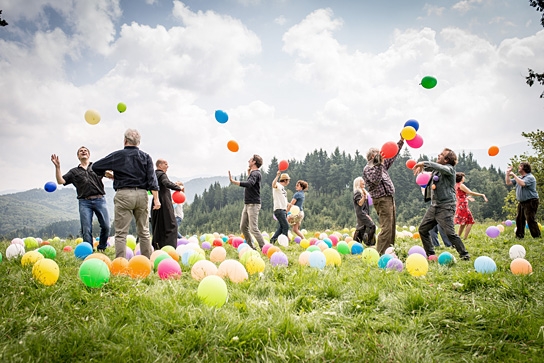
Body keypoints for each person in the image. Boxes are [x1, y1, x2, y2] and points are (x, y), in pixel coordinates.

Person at [92, 129, 160, 259]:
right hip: (142, 194)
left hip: (123, 194)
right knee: (144, 232)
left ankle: (120, 264)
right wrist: (156, 200)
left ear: (125, 140)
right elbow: (152, 180)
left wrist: (108, 174)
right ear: (138, 142)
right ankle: (147, 263)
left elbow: (95, 167)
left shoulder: (117, 155)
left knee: (121, 234)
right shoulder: (146, 157)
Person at [413, 148, 470, 260]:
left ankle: (465, 255)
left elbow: (439, 167)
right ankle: (431, 254)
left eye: (442, 154)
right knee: (423, 229)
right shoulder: (437, 170)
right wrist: (423, 167)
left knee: (450, 234)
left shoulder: (450, 169)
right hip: (434, 206)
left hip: (446, 206)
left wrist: (423, 163)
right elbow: (433, 168)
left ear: (447, 159)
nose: (439, 155)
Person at [51, 147, 110, 251]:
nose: (83, 151)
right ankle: (88, 251)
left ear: (89, 154)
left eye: (85, 150)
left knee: (106, 226)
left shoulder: (96, 167)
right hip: (84, 202)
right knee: (86, 229)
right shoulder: (74, 172)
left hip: (100, 199)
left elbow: (109, 174)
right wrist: (58, 167)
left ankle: (101, 248)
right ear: (78, 156)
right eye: (80, 151)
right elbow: (61, 181)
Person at [363, 138, 404, 255]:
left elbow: (392, 155)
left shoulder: (382, 164)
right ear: (372, 156)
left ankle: (390, 251)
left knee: (391, 227)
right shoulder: (368, 168)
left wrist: (401, 141)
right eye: (378, 153)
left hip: (389, 198)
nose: (381, 155)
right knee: (386, 227)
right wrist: (379, 165)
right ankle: (381, 253)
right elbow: (375, 180)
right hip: (381, 199)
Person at [228, 154, 266, 249]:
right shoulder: (253, 173)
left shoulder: (256, 173)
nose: (248, 161)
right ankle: (251, 247)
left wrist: (234, 181)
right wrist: (249, 174)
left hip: (253, 204)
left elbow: (249, 184)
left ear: (254, 162)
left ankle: (264, 248)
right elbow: (252, 184)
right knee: (243, 227)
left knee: (253, 228)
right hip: (247, 204)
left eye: (250, 160)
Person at [151, 159, 183, 250]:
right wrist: (178, 188)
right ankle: (170, 247)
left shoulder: (153, 175)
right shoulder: (162, 174)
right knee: (171, 225)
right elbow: (166, 183)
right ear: (160, 165)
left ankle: (157, 246)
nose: (167, 166)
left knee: (158, 225)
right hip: (164, 202)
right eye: (165, 164)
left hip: (156, 202)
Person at [505, 162, 541, 239]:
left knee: (530, 219)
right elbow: (508, 182)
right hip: (522, 202)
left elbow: (522, 184)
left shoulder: (530, 177)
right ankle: (519, 236)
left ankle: (537, 236)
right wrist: (508, 173)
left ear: (525, 168)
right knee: (519, 219)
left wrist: (514, 175)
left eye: (521, 166)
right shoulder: (520, 177)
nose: (519, 167)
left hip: (531, 201)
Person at [454, 172, 488, 239]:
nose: (464, 178)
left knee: (463, 223)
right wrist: (482, 195)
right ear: (461, 178)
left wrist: (467, 198)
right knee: (470, 221)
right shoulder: (461, 185)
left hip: (460, 204)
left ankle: (458, 237)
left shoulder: (456, 185)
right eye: (463, 177)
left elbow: (460, 195)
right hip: (463, 205)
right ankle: (465, 238)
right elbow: (470, 192)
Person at [352, 177, 376, 246]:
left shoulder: (364, 191)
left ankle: (355, 244)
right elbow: (360, 203)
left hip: (363, 213)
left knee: (361, 228)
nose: (364, 182)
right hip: (361, 213)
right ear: (358, 183)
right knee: (372, 226)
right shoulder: (357, 192)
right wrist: (364, 197)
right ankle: (369, 243)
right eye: (362, 181)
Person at [270, 171, 290, 244]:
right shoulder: (278, 185)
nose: (289, 182)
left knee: (282, 227)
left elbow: (282, 199)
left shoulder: (283, 188)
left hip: (283, 209)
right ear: (285, 180)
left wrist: (288, 204)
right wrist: (277, 176)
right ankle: (284, 241)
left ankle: (273, 240)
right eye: (288, 180)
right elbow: (273, 185)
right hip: (279, 209)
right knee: (286, 226)